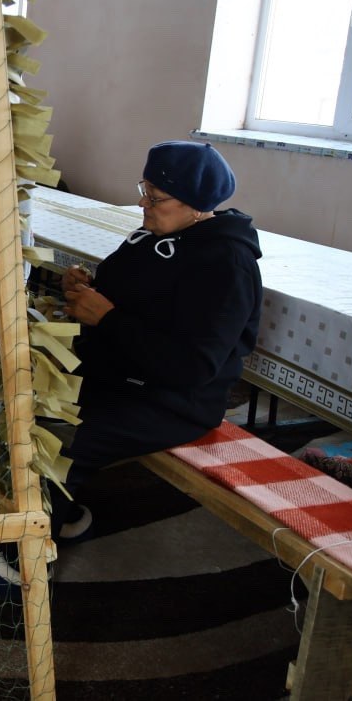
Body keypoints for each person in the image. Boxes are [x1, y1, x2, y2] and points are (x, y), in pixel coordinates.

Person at [51, 141, 263, 539]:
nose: (143, 204)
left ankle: (19, 567)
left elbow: (194, 366)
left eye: (156, 196)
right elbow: (136, 298)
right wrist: (86, 289)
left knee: (65, 442)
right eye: (144, 190)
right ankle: (50, 514)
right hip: (119, 375)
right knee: (20, 397)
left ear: (196, 204)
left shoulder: (226, 265)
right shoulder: (154, 235)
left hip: (171, 403)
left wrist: (107, 318)